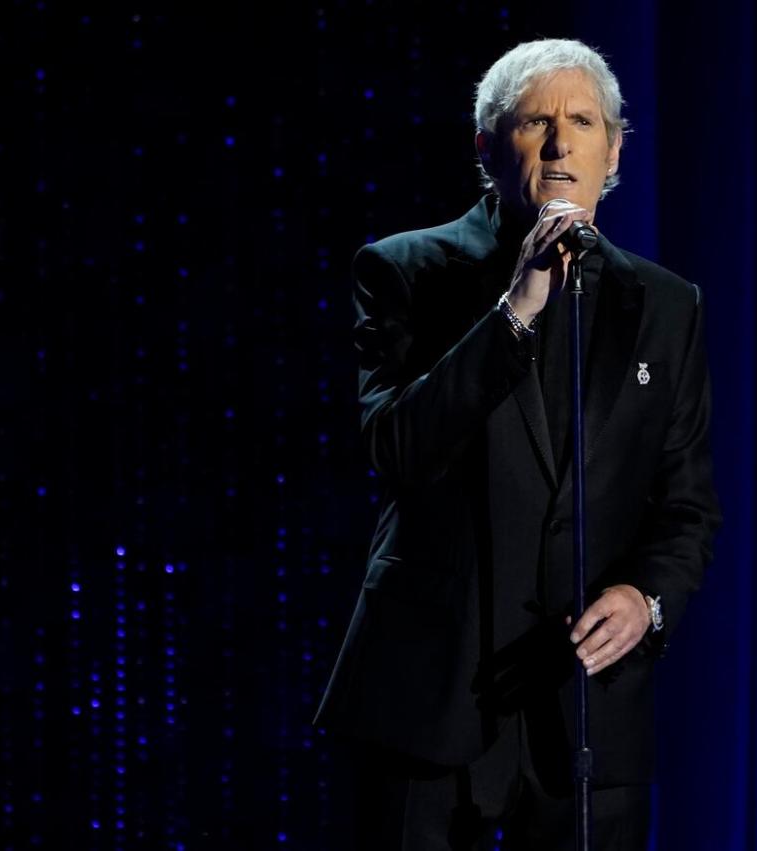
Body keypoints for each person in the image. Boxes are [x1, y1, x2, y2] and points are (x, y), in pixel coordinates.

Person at [313, 38, 721, 850]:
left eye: (583, 121)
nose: (562, 142)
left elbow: (688, 506)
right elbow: (397, 449)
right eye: (537, 121)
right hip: (428, 698)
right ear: (488, 147)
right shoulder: (405, 271)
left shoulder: (667, 305)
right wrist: (516, 310)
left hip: (586, 709)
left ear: (613, 152)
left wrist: (647, 598)